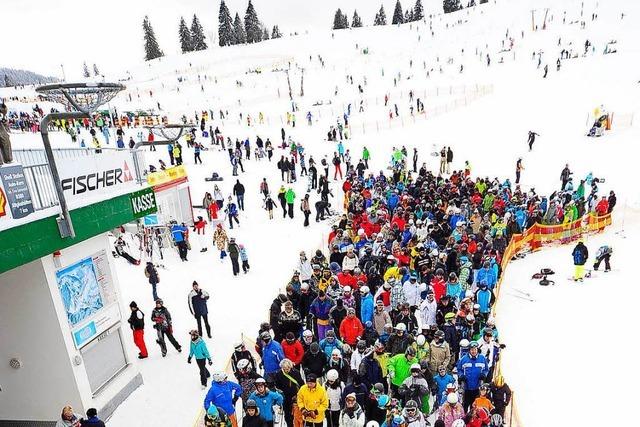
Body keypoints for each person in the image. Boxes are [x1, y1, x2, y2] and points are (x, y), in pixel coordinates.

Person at [456, 341, 488, 410]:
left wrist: (484, 375)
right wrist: (461, 375)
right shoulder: (464, 359)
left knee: (474, 406)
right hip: (466, 387)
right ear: (469, 350)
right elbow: (459, 369)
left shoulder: (482, 358)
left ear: (477, 349)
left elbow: (486, 369)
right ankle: (464, 418)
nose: (474, 351)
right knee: (465, 405)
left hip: (477, 387)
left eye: (475, 349)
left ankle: (472, 419)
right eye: (472, 349)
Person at [274, 358, 304, 427]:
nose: (286, 370)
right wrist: (280, 395)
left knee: (296, 416)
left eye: (287, 368)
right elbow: (277, 386)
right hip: (286, 398)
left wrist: (299, 395)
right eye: (284, 369)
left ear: (290, 367)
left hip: (295, 398)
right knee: (287, 416)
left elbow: (302, 385)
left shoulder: (296, 373)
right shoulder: (279, 374)